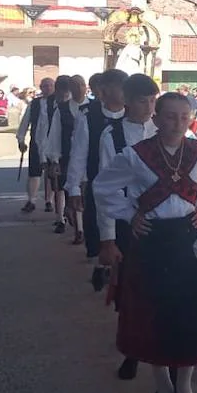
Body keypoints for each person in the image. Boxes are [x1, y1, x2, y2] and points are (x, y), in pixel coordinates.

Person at [95, 88, 197, 393]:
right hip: (152, 241)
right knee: (154, 314)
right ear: (156, 118)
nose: (178, 123)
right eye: (170, 116)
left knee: (189, 313)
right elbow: (103, 187)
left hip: (189, 241)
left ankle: (185, 387)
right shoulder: (136, 155)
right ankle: (163, 387)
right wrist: (129, 213)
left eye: (184, 116)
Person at [95, 73, 160, 381]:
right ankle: (132, 351)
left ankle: (164, 354)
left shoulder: (164, 130)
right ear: (127, 101)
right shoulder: (113, 136)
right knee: (130, 295)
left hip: (162, 224)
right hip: (128, 223)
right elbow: (105, 188)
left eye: (152, 101)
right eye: (141, 101)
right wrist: (108, 238)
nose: (148, 108)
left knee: (163, 291)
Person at [66, 69, 128, 265]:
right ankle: (101, 265)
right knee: (98, 227)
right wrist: (74, 187)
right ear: (105, 90)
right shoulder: (89, 116)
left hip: (130, 188)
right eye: (120, 87)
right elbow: (78, 152)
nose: (124, 92)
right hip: (98, 182)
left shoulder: (134, 116)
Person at [41, 75, 77, 235]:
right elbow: (44, 130)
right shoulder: (47, 105)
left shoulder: (81, 106)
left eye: (67, 93)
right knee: (58, 186)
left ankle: (74, 218)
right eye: (62, 93)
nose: (64, 96)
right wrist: (48, 155)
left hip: (73, 151)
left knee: (74, 186)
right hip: (55, 150)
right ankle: (60, 217)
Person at [17, 77, 55, 213]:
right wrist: (21, 139)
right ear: (41, 87)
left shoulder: (58, 103)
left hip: (53, 143)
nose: (48, 88)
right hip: (36, 142)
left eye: (50, 85)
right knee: (34, 173)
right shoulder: (34, 104)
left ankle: (49, 201)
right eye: (45, 86)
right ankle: (31, 200)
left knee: (51, 174)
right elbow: (25, 122)